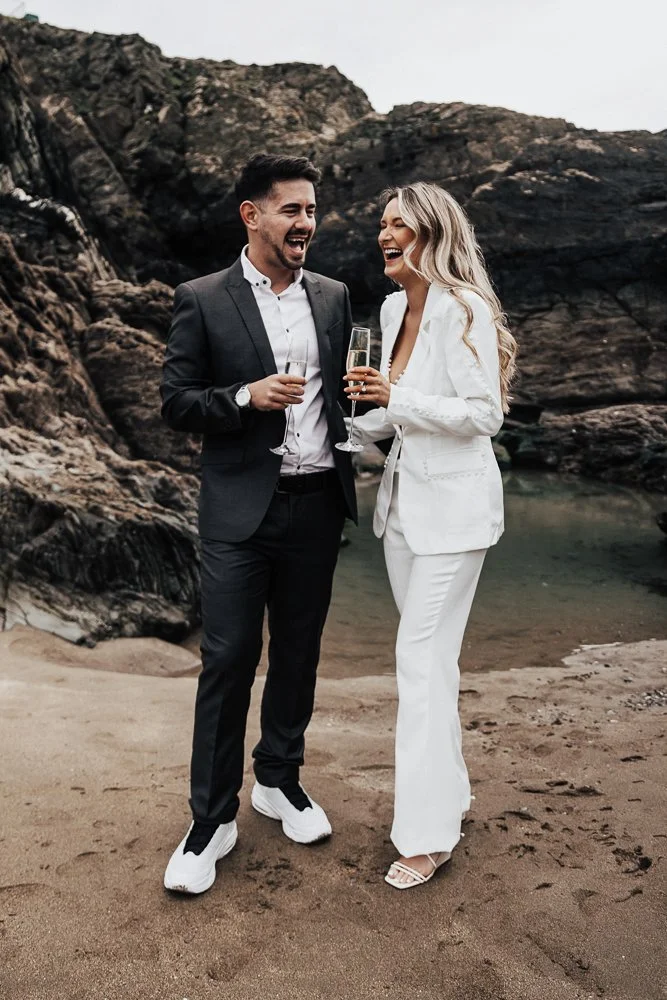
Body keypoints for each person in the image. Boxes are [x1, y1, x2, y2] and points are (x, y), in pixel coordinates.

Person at [160, 153, 356, 894]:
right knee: (229, 660)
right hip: (237, 510)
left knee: (299, 653)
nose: (305, 223)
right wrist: (243, 398)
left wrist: (368, 403)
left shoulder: (335, 298)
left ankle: (278, 781)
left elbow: (342, 398)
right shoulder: (202, 298)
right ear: (252, 215)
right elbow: (176, 402)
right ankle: (210, 821)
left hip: (316, 503)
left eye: (311, 210)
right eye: (291, 210)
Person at [343, 181, 517, 890]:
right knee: (433, 665)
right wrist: (341, 429)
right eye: (381, 226)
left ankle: (425, 836)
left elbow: (483, 414)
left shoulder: (463, 307)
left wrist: (395, 397)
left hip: (456, 515)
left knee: (415, 660)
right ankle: (450, 797)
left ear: (433, 236)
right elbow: (393, 418)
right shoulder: (390, 307)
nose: (386, 236)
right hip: (401, 513)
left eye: (400, 227)